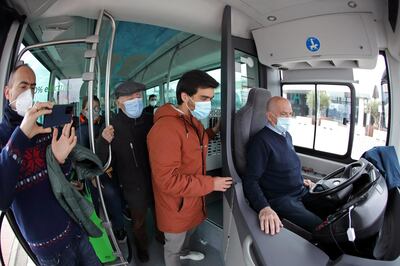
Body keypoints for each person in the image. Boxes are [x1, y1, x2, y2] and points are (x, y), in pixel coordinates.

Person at [0, 64, 101, 265]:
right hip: (48, 249)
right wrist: (21, 134)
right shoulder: (3, 138)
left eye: (33, 87)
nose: (29, 93)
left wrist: (61, 159)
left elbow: (58, 179)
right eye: (23, 86)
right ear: (7, 92)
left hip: (74, 230)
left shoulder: (43, 128)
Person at [147, 70, 233, 266]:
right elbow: (167, 180)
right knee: (173, 245)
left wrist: (213, 131)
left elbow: (195, 142)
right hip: (175, 203)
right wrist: (211, 183)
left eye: (211, 99)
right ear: (185, 97)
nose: (208, 104)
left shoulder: (192, 121)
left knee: (189, 232)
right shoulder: (165, 129)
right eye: (203, 98)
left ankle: (184, 252)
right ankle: (176, 259)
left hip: (192, 197)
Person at [96, 81, 162, 263]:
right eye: (129, 96)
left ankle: (161, 236)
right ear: (118, 102)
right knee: (138, 221)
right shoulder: (111, 127)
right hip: (132, 185)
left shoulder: (150, 119)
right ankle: (142, 248)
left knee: (161, 213)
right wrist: (103, 142)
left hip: (156, 179)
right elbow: (101, 162)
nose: (136, 99)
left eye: (138, 95)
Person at [242, 96, 323, 235]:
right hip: (281, 199)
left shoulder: (286, 135)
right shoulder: (260, 141)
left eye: (290, 114)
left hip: (300, 190)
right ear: (269, 116)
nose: (288, 118)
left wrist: (301, 180)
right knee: (320, 226)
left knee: (331, 206)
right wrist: (264, 207)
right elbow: (250, 180)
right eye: (283, 114)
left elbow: (284, 164)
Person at [76, 95, 126, 242]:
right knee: (110, 193)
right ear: (83, 110)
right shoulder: (80, 129)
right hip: (93, 172)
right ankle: (117, 227)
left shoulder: (105, 122)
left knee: (119, 189)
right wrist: (91, 177)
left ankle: (120, 215)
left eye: (97, 108)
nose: (94, 111)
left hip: (109, 166)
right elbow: (80, 157)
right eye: (89, 109)